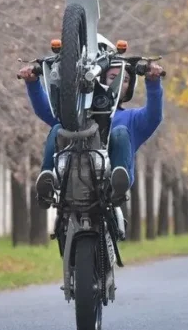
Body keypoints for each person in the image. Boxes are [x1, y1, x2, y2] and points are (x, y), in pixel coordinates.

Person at [18, 35, 164, 208]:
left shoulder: (132, 119)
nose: (119, 83)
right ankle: (48, 179)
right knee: (58, 127)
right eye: (112, 77)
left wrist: (153, 83)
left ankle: (118, 179)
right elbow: (45, 110)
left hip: (108, 180)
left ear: (130, 87)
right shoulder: (76, 113)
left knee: (121, 132)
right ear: (99, 79)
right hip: (72, 173)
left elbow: (154, 115)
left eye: (125, 80)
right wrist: (33, 83)